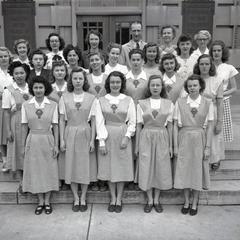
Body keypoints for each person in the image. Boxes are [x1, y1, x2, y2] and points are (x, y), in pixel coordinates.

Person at [173, 74, 214, 216]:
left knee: (197, 170)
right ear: (186, 88)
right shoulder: (180, 102)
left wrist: (208, 147)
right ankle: (186, 201)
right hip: (184, 138)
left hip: (199, 139)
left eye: (195, 85)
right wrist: (176, 146)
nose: (192, 88)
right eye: (189, 86)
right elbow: (175, 125)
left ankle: (195, 202)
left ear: (200, 86)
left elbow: (209, 126)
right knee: (184, 170)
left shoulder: (208, 103)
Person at [96, 71, 136, 213]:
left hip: (122, 135)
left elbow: (132, 121)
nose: (115, 85)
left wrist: (127, 136)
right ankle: (112, 197)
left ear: (122, 83)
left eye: (118, 82)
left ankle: (119, 198)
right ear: (108, 84)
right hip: (107, 135)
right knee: (109, 168)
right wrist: (101, 142)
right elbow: (99, 122)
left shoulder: (128, 100)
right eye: (112, 82)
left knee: (121, 168)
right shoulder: (101, 100)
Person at [59, 68, 97, 212]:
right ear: (71, 80)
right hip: (70, 132)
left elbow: (93, 121)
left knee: (84, 166)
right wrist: (62, 140)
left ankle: (84, 197)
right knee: (72, 166)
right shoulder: (64, 97)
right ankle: (76, 197)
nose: (78, 81)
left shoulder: (91, 98)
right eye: (75, 78)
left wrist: (92, 140)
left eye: (80, 78)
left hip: (85, 133)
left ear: (84, 80)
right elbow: (62, 120)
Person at [135, 75, 173, 213]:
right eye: (153, 85)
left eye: (158, 85)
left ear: (162, 87)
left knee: (160, 168)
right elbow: (139, 125)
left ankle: (157, 199)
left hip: (162, 137)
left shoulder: (169, 103)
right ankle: (149, 199)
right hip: (146, 137)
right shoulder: (141, 103)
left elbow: (169, 126)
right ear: (149, 87)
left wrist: (170, 146)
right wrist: (137, 145)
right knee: (147, 167)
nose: (155, 88)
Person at [22, 76, 59, 215]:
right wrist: (23, 146)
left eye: (41, 87)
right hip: (33, 139)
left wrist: (55, 145)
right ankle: (40, 201)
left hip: (47, 139)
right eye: (36, 87)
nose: (38, 90)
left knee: (48, 169)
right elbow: (24, 127)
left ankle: (47, 201)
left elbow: (55, 126)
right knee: (36, 170)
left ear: (46, 89)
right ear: (32, 89)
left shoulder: (53, 105)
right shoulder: (26, 105)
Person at [2, 62, 30, 187]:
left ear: (26, 74)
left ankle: (31, 177)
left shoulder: (32, 87)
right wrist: (8, 130)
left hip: (31, 122)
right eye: (16, 73)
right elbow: (6, 112)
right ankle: (21, 181)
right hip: (16, 122)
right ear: (12, 75)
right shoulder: (9, 90)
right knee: (18, 149)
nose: (19, 76)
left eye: (22, 73)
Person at [193, 54, 224, 170]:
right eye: (202, 64)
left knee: (213, 137)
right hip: (197, 112)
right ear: (198, 65)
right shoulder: (194, 79)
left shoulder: (217, 80)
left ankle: (214, 160)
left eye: (207, 64)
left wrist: (220, 121)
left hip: (212, 112)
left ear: (211, 65)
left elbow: (220, 102)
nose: (204, 66)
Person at [210, 40, 238, 143]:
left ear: (223, 52)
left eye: (219, 50)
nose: (216, 53)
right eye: (214, 51)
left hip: (223, 101)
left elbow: (234, 88)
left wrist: (221, 94)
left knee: (220, 130)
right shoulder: (208, 66)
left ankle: (219, 155)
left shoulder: (229, 68)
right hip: (209, 100)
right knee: (209, 127)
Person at [0, 47, 13, 171]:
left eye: (5, 56)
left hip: (12, 105)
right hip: (0, 103)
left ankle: (10, 158)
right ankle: (4, 158)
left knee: (10, 130)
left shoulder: (13, 71)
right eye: (0, 56)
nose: (3, 58)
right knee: (1, 131)